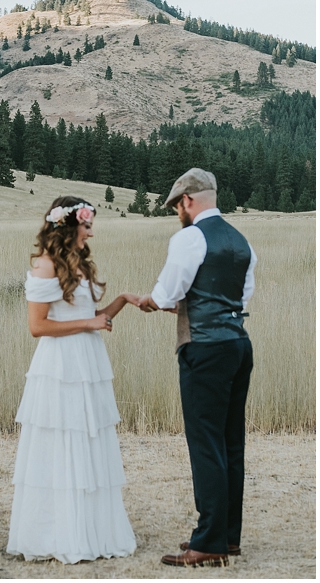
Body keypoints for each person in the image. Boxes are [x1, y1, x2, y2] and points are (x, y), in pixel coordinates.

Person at [7, 196, 138, 564]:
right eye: (86, 224)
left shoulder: (78, 263)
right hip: (60, 364)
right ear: (67, 226)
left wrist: (123, 301)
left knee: (89, 437)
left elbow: (90, 315)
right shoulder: (45, 266)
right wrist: (89, 323)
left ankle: (90, 530)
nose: (91, 231)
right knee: (62, 439)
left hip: (88, 361)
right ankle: (58, 531)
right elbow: (38, 326)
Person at [137, 169, 256, 568]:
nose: (177, 213)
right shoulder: (242, 240)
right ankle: (229, 535)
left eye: (176, 206)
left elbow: (168, 292)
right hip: (239, 344)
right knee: (230, 442)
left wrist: (151, 300)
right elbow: (242, 294)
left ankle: (208, 541)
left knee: (205, 443)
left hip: (204, 348)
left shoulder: (189, 238)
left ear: (187, 201)